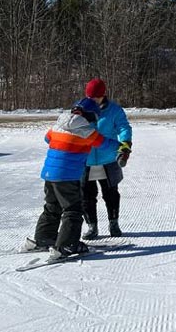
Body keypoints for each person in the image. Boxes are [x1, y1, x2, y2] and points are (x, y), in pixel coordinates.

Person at [24, 98, 119, 259]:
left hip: (49, 174)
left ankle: (43, 238)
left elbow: (47, 139)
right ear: (90, 115)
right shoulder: (86, 130)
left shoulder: (58, 125)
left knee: (52, 206)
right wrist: (122, 145)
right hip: (67, 177)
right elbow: (105, 144)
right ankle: (67, 246)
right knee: (73, 210)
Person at [81, 78, 132, 240]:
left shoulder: (114, 110)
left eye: (96, 97)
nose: (93, 100)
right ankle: (92, 226)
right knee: (87, 196)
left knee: (111, 194)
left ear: (103, 95)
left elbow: (124, 127)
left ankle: (113, 223)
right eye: (90, 97)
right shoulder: (80, 109)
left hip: (108, 158)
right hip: (86, 159)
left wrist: (125, 143)